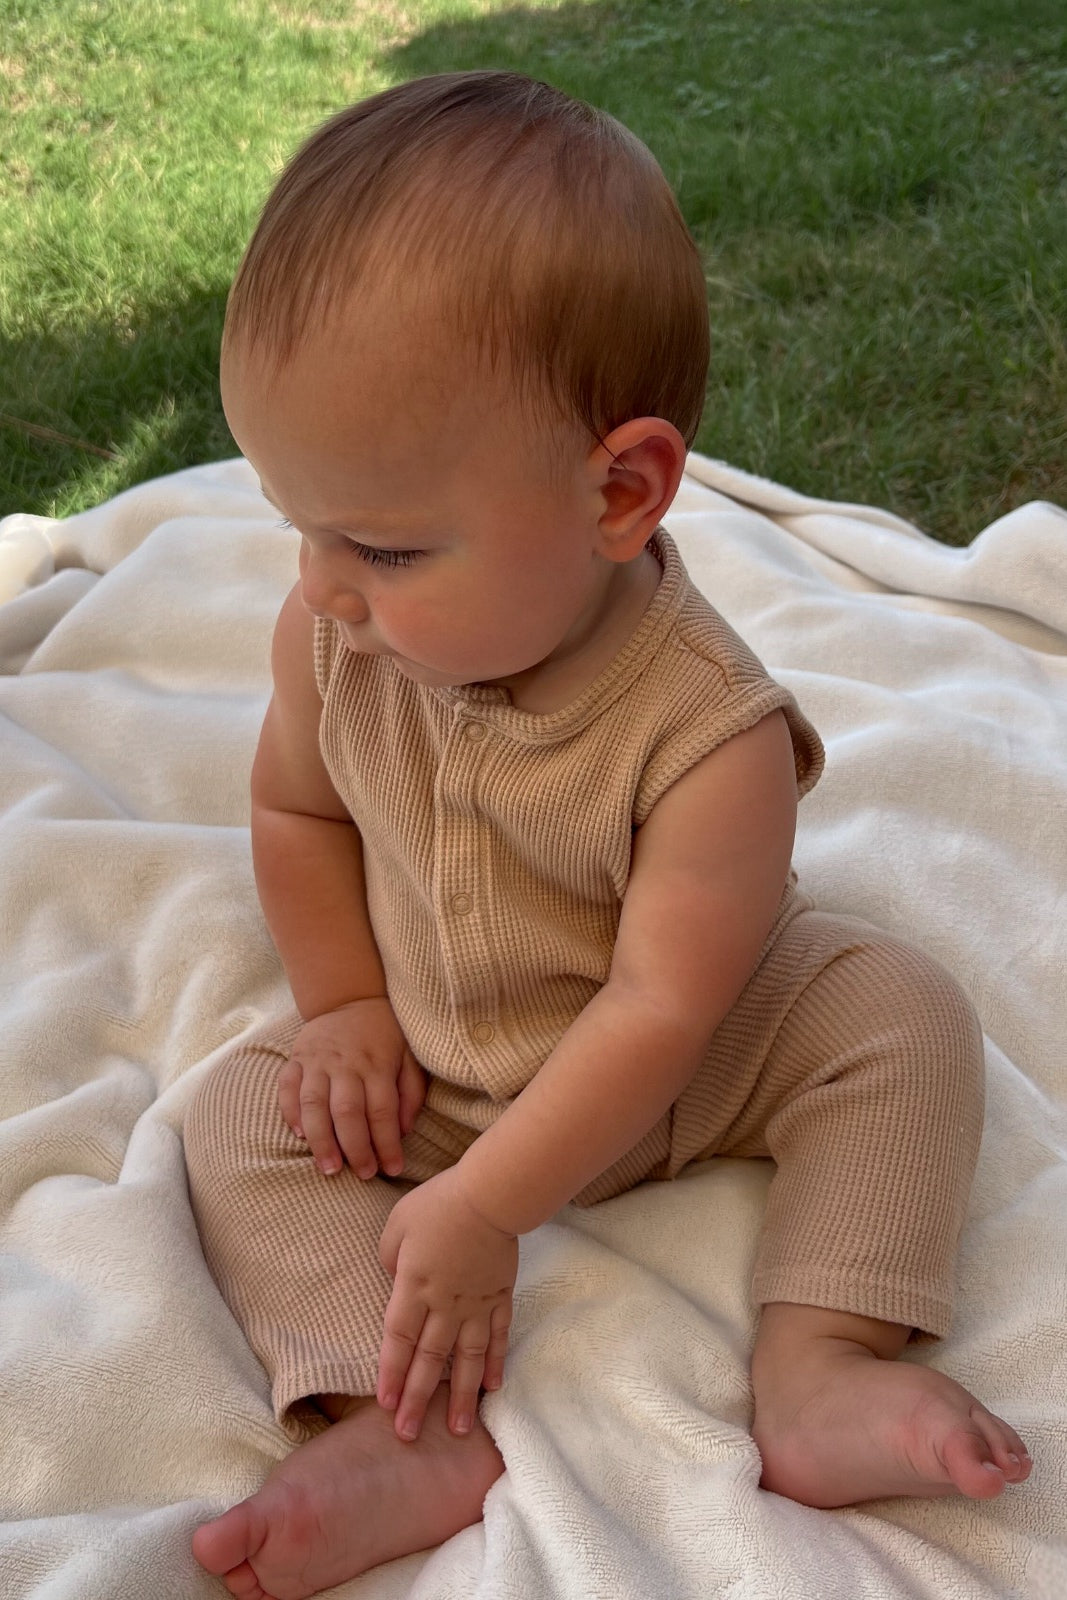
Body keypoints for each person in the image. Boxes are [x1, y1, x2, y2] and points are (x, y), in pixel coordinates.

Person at [184, 69, 1031, 1600]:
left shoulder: (709, 734)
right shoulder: (334, 644)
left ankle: (821, 1359)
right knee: (241, 1116)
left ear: (620, 493)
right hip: (445, 1061)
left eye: (379, 542)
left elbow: (664, 1004)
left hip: (688, 1063)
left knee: (903, 1018)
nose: (323, 585)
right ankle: (392, 1417)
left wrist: (489, 1206)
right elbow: (292, 807)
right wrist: (347, 1008)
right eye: (293, 522)